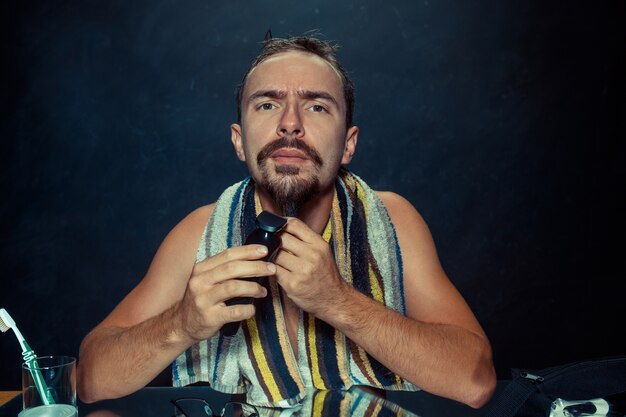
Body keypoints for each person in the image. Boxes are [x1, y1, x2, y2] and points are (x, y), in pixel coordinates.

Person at [76, 34, 497, 409]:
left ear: (348, 144)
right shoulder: (198, 234)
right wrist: (181, 323)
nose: (290, 124)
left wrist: (338, 301)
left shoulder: (392, 220)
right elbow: (89, 381)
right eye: (268, 104)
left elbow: (475, 382)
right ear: (239, 141)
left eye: (316, 105)